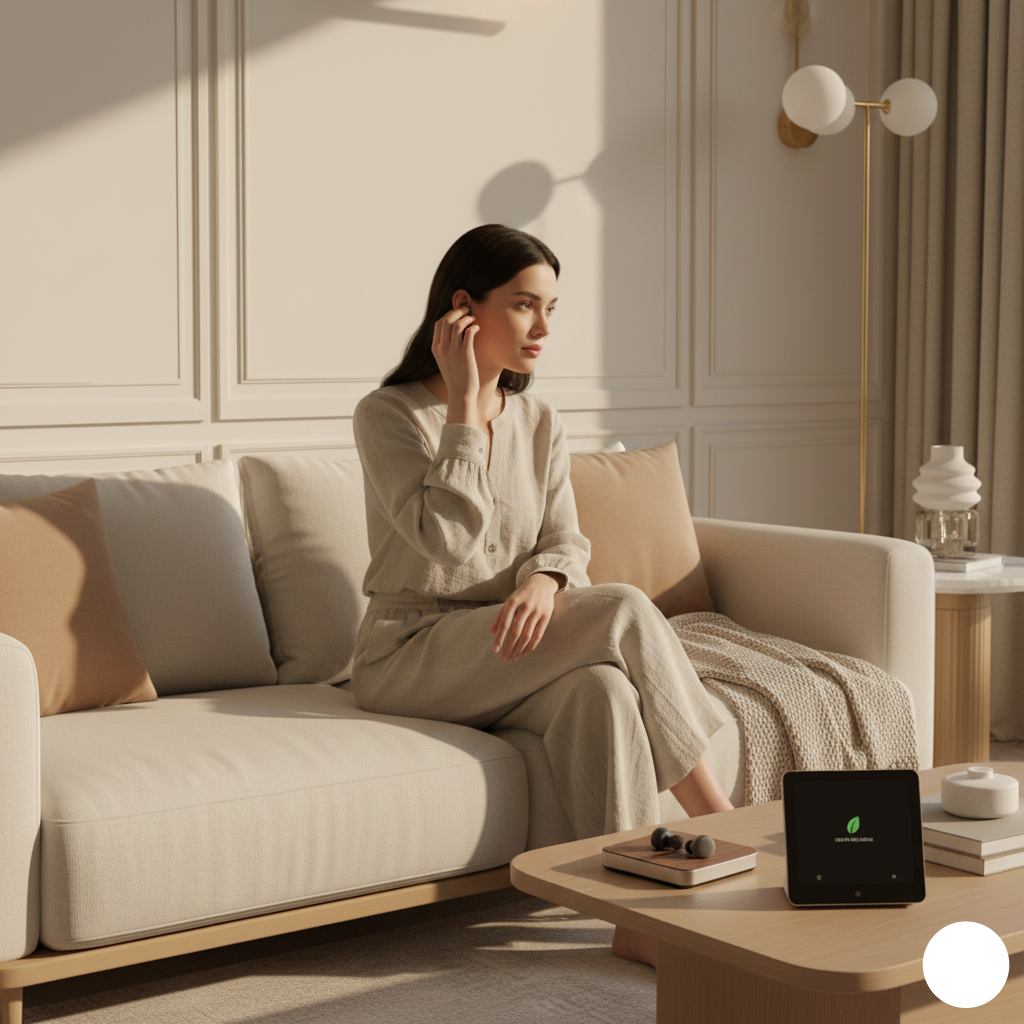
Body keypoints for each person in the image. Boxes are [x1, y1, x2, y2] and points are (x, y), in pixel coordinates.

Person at [351, 223, 733, 968]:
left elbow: (567, 540)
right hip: (413, 651)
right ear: (464, 308)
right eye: (526, 306)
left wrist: (543, 580)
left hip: (508, 643)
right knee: (622, 607)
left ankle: (635, 914)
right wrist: (464, 406)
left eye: (552, 308)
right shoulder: (389, 415)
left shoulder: (539, 419)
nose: (544, 328)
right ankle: (730, 822)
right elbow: (448, 543)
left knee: (603, 692)